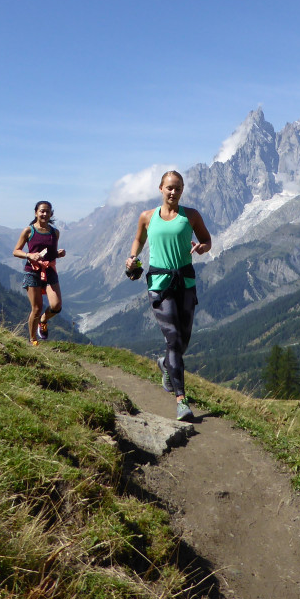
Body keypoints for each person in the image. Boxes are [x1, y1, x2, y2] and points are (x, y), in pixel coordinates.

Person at [125, 170, 211, 421]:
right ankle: (181, 400)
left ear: (182, 190)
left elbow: (206, 240)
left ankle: (165, 365)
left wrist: (202, 247)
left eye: (178, 188)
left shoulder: (191, 215)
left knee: (183, 341)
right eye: (169, 187)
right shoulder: (147, 217)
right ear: (160, 189)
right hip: (160, 283)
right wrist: (133, 257)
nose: (174, 192)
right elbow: (138, 240)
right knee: (173, 338)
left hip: (185, 282)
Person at [13, 200, 67, 346]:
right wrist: (29, 255)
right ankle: (33, 340)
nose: (44, 214)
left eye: (47, 211)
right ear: (36, 212)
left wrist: (58, 253)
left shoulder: (54, 232)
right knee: (36, 308)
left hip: (49, 270)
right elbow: (16, 251)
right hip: (32, 271)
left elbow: (51, 253)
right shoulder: (29, 231)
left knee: (56, 306)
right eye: (42, 211)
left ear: (51, 214)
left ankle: (43, 320)